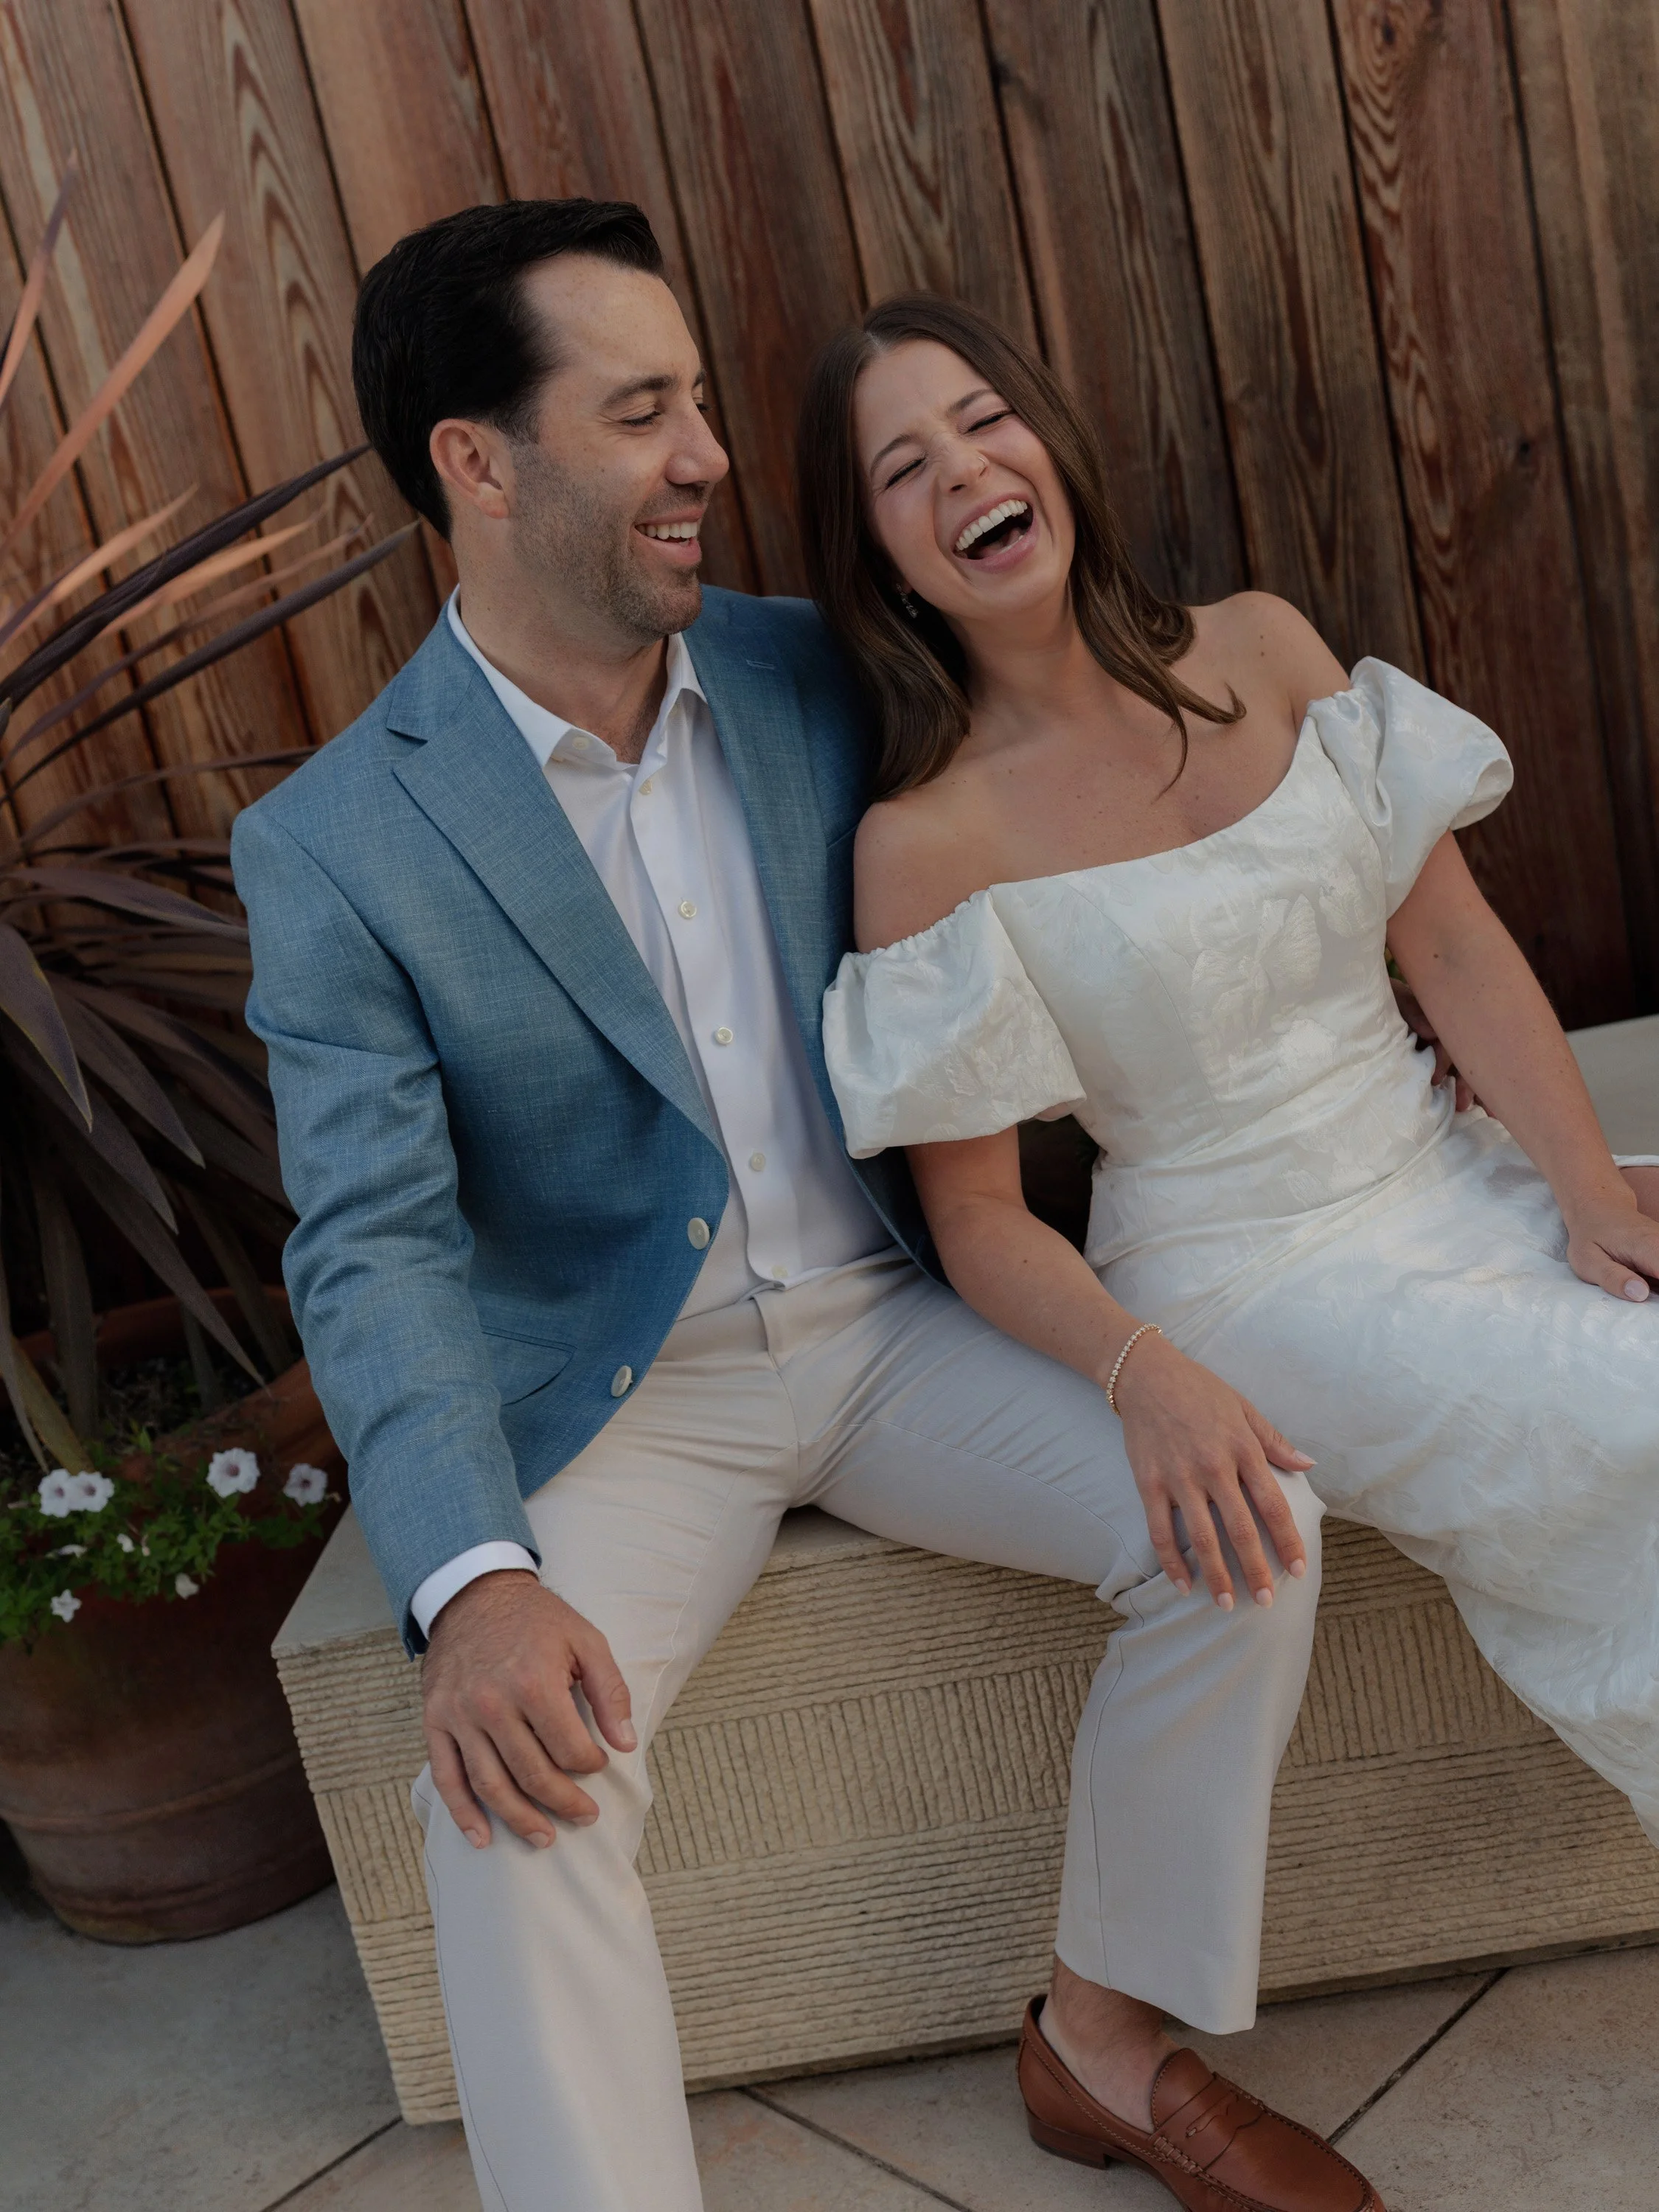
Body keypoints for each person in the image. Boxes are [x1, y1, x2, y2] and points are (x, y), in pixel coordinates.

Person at [231, 205, 1382, 2212]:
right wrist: (472, 1585)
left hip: (900, 1318)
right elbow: (368, 1235)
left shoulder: (810, 671)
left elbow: (1097, 782)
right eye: (642, 414)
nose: (707, 456)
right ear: (478, 464)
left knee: (1240, 1530)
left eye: (696, 404)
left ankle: (1103, 2047)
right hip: (627, 1400)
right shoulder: (337, 842)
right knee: (514, 1785)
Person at [804, 291, 1659, 2194]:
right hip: (1245, 1274)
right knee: (1635, 1404)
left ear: (1050, 438)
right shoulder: (926, 842)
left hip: (1434, 1166)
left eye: (983, 421)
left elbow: (1450, 946)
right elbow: (974, 1221)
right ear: (878, 555)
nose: (965, 475)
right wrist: (1149, 1378)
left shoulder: (1262, 650)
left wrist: (1591, 1188)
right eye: (902, 470)